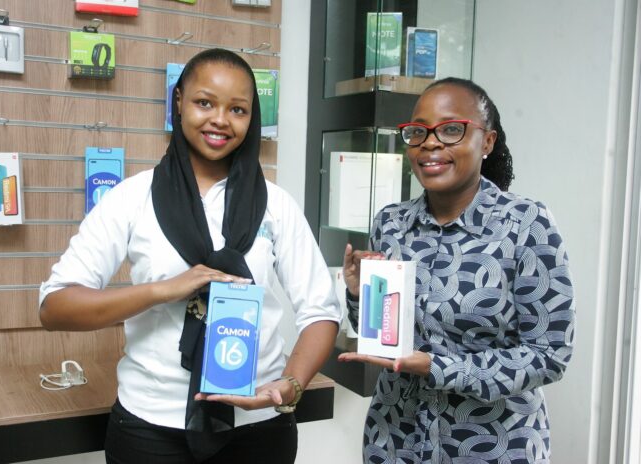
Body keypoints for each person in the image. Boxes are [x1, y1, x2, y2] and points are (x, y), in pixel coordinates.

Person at [39, 48, 341, 464]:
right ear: (178, 101)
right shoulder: (131, 197)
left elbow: (320, 312)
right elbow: (56, 307)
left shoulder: (277, 205)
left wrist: (291, 385)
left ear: (252, 118)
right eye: (204, 102)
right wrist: (164, 289)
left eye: (237, 109)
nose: (220, 119)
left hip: (259, 427)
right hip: (150, 429)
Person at [339, 77, 575, 463]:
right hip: (397, 438)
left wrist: (439, 367)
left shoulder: (527, 224)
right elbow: (383, 333)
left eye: (451, 130)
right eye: (418, 132)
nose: (430, 143)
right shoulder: (391, 223)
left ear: (487, 142)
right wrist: (356, 295)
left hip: (491, 446)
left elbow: (549, 353)